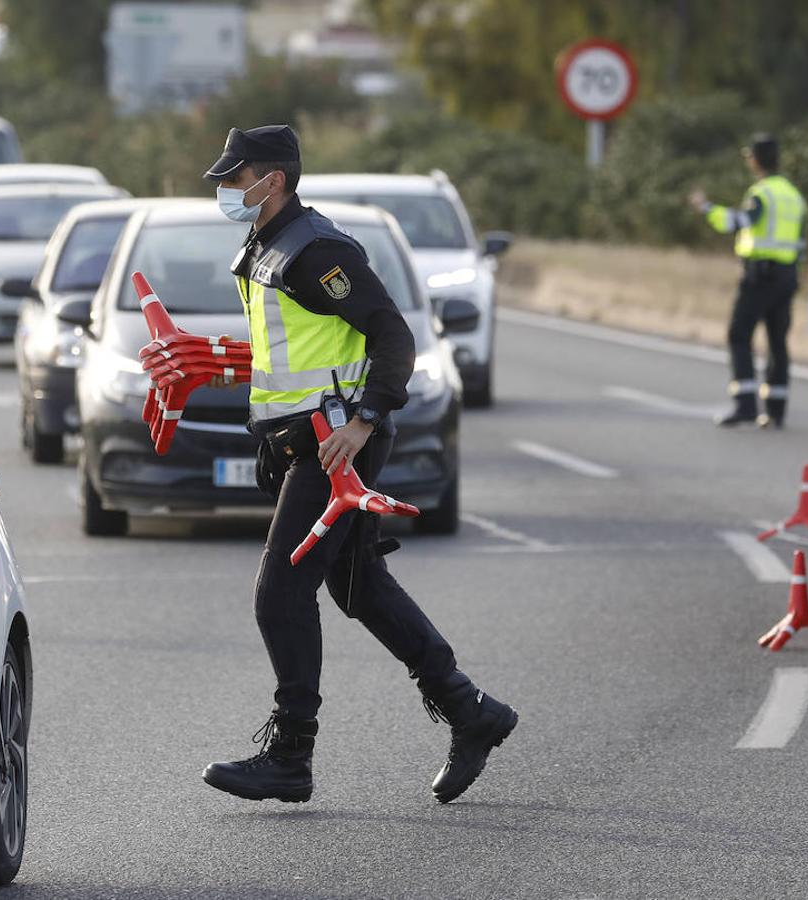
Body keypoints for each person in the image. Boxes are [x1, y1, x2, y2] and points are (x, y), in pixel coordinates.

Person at [199, 125, 518, 805]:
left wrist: (367, 417)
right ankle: (472, 712)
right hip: (308, 439)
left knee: (280, 592)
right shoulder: (266, 245)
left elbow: (392, 333)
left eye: (237, 176)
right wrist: (259, 411)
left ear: (274, 179)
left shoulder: (317, 251)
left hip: (338, 442)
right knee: (357, 586)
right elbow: (291, 353)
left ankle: (290, 756)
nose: (227, 189)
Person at [690, 134, 807, 428]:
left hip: (761, 276)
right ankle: (776, 410)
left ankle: (745, 405)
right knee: (777, 342)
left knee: (739, 335)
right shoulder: (793, 194)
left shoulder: (763, 194)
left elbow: (736, 222)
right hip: (788, 275)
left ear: (755, 160)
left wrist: (706, 208)